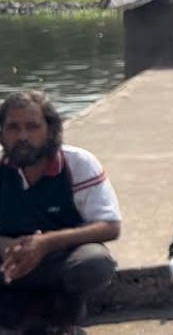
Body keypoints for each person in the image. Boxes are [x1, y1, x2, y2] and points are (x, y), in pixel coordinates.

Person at [0, 91, 121, 326]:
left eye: (32, 127)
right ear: (2, 133)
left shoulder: (78, 164)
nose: (22, 136)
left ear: (50, 130)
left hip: (58, 259)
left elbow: (109, 226)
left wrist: (45, 243)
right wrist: (7, 246)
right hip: (7, 260)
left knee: (95, 262)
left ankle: (61, 317)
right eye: (13, 127)